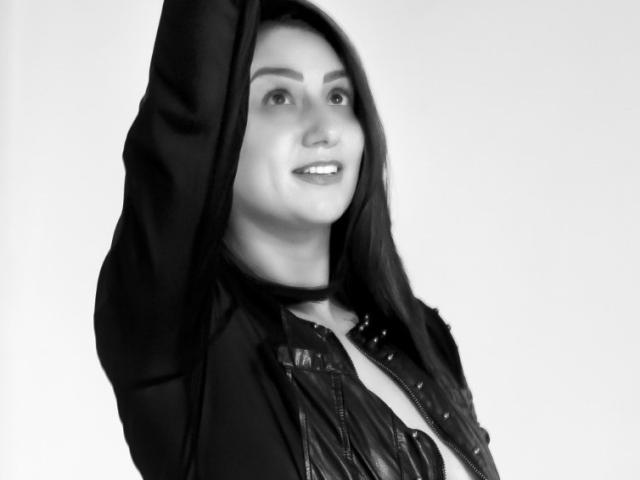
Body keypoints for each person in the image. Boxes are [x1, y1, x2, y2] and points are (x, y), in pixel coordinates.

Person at [93, 0, 500, 478]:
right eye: (278, 97)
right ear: (223, 132)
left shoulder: (418, 336)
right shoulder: (189, 340)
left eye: (338, 96)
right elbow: (186, 116)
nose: (325, 129)